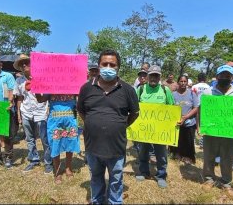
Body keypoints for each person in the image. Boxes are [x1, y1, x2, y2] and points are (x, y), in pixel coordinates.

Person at [77, 49, 139, 204]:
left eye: (112, 64)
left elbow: (135, 114)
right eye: (105, 64)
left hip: (116, 147)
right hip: (93, 146)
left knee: (116, 179)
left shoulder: (128, 90)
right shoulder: (86, 88)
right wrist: (92, 124)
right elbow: (81, 110)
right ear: (98, 65)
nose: (108, 67)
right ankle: (97, 200)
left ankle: (114, 201)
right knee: (96, 177)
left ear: (118, 67)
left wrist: (120, 126)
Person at [199, 65, 233, 193]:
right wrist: (200, 126)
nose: (225, 78)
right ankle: (209, 179)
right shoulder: (208, 92)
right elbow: (201, 110)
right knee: (209, 155)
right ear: (217, 76)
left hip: (230, 132)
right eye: (222, 75)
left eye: (228, 76)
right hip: (211, 131)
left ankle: (226, 182)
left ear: (232, 77)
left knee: (228, 157)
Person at [135, 65, 175, 188]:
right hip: (144, 129)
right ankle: (144, 172)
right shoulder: (141, 89)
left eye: (156, 76)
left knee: (161, 154)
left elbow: (172, 107)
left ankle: (161, 175)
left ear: (159, 77)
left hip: (160, 130)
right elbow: (135, 107)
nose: (154, 78)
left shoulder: (165, 90)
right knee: (143, 151)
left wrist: (176, 120)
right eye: (152, 75)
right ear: (147, 76)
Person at [13, 54, 53, 174]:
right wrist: (19, 114)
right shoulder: (19, 81)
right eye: (22, 64)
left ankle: (48, 163)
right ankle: (33, 160)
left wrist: (48, 109)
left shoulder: (42, 78)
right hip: (26, 111)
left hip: (41, 111)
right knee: (29, 139)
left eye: (27, 62)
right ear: (20, 67)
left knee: (44, 139)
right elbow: (20, 97)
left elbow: (48, 95)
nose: (25, 65)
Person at [36, 93, 80, 184]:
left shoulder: (72, 85)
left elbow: (80, 97)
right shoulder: (52, 85)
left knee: (70, 142)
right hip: (55, 122)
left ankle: (68, 168)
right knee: (55, 145)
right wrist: (36, 89)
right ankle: (57, 172)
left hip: (70, 120)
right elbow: (40, 100)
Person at [170, 75, 199, 164]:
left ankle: (188, 157)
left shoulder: (192, 93)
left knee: (188, 141)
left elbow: (196, 108)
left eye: (184, 81)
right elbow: (170, 107)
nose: (183, 83)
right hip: (177, 122)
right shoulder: (173, 94)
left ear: (187, 82)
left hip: (189, 122)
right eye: (181, 81)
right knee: (177, 140)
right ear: (178, 82)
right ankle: (176, 155)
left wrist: (186, 117)